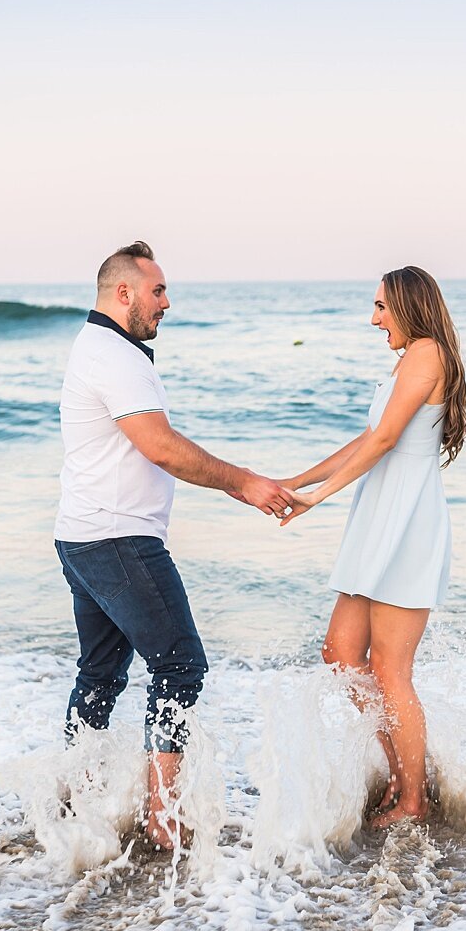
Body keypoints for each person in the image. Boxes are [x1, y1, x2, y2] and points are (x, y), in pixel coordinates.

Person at [54, 241, 295, 850]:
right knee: (179, 664)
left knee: (102, 672)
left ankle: (73, 799)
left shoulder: (99, 348)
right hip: (116, 537)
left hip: (83, 536)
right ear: (123, 293)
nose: (167, 302)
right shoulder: (115, 355)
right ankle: (164, 817)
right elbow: (159, 446)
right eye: (158, 291)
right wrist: (244, 483)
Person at [278, 265, 466, 829]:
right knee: (341, 654)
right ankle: (407, 772)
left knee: (390, 669)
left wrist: (319, 500)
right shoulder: (407, 359)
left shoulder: (428, 352)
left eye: (382, 306)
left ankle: (414, 798)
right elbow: (368, 439)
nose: (374, 318)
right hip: (379, 518)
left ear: (409, 306)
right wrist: (298, 484)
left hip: (406, 523)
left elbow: (386, 441)